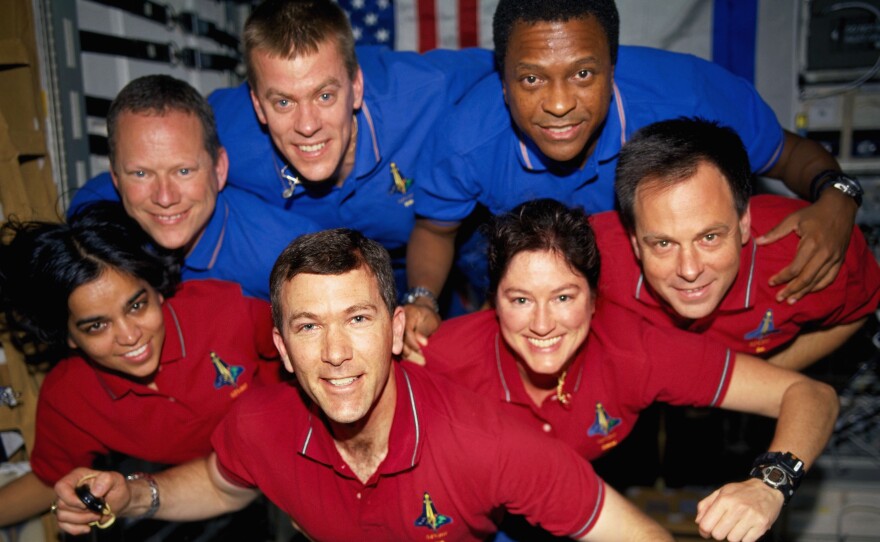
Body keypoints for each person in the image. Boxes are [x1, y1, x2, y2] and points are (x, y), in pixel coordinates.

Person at [53, 228, 673, 542]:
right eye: (308, 326)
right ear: (282, 350)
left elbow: (636, 534)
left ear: (397, 330)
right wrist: (133, 495)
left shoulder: (492, 443)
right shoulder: (258, 423)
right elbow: (222, 483)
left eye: (358, 318)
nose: (336, 354)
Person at [403, 0, 861, 357]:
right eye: (531, 80)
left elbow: (792, 155)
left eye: (583, 73)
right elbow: (434, 230)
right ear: (503, 82)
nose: (560, 104)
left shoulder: (691, 95)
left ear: (613, 67)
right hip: (548, 283)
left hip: (662, 283)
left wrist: (838, 195)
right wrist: (423, 298)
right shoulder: (466, 138)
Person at [417, 198, 839, 542]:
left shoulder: (634, 350)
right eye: (521, 300)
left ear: (595, 298)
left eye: (564, 297)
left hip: (583, 511)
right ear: (495, 302)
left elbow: (810, 396)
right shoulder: (441, 359)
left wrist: (770, 483)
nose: (543, 324)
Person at [0, 202, 280, 527]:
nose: (130, 335)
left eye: (136, 305)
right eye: (97, 326)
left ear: (157, 291)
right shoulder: (69, 398)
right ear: (70, 337)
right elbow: (52, 482)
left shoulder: (225, 310)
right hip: (216, 493)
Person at [205, 0, 495, 291]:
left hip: (455, 241)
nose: (307, 126)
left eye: (325, 96)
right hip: (338, 276)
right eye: (283, 102)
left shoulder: (428, 89)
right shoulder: (223, 131)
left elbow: (516, 70)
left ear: (356, 88)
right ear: (257, 105)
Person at [593, 117, 880, 371]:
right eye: (664, 243)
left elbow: (861, 306)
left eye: (709, 237)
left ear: (744, 223)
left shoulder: (809, 252)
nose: (689, 271)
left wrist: (752, 381)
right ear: (634, 241)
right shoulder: (587, 256)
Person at [68, 74, 320, 300]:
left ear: (219, 169)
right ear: (115, 178)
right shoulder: (91, 214)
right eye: (141, 174)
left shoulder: (287, 256)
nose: (165, 197)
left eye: (183, 171)